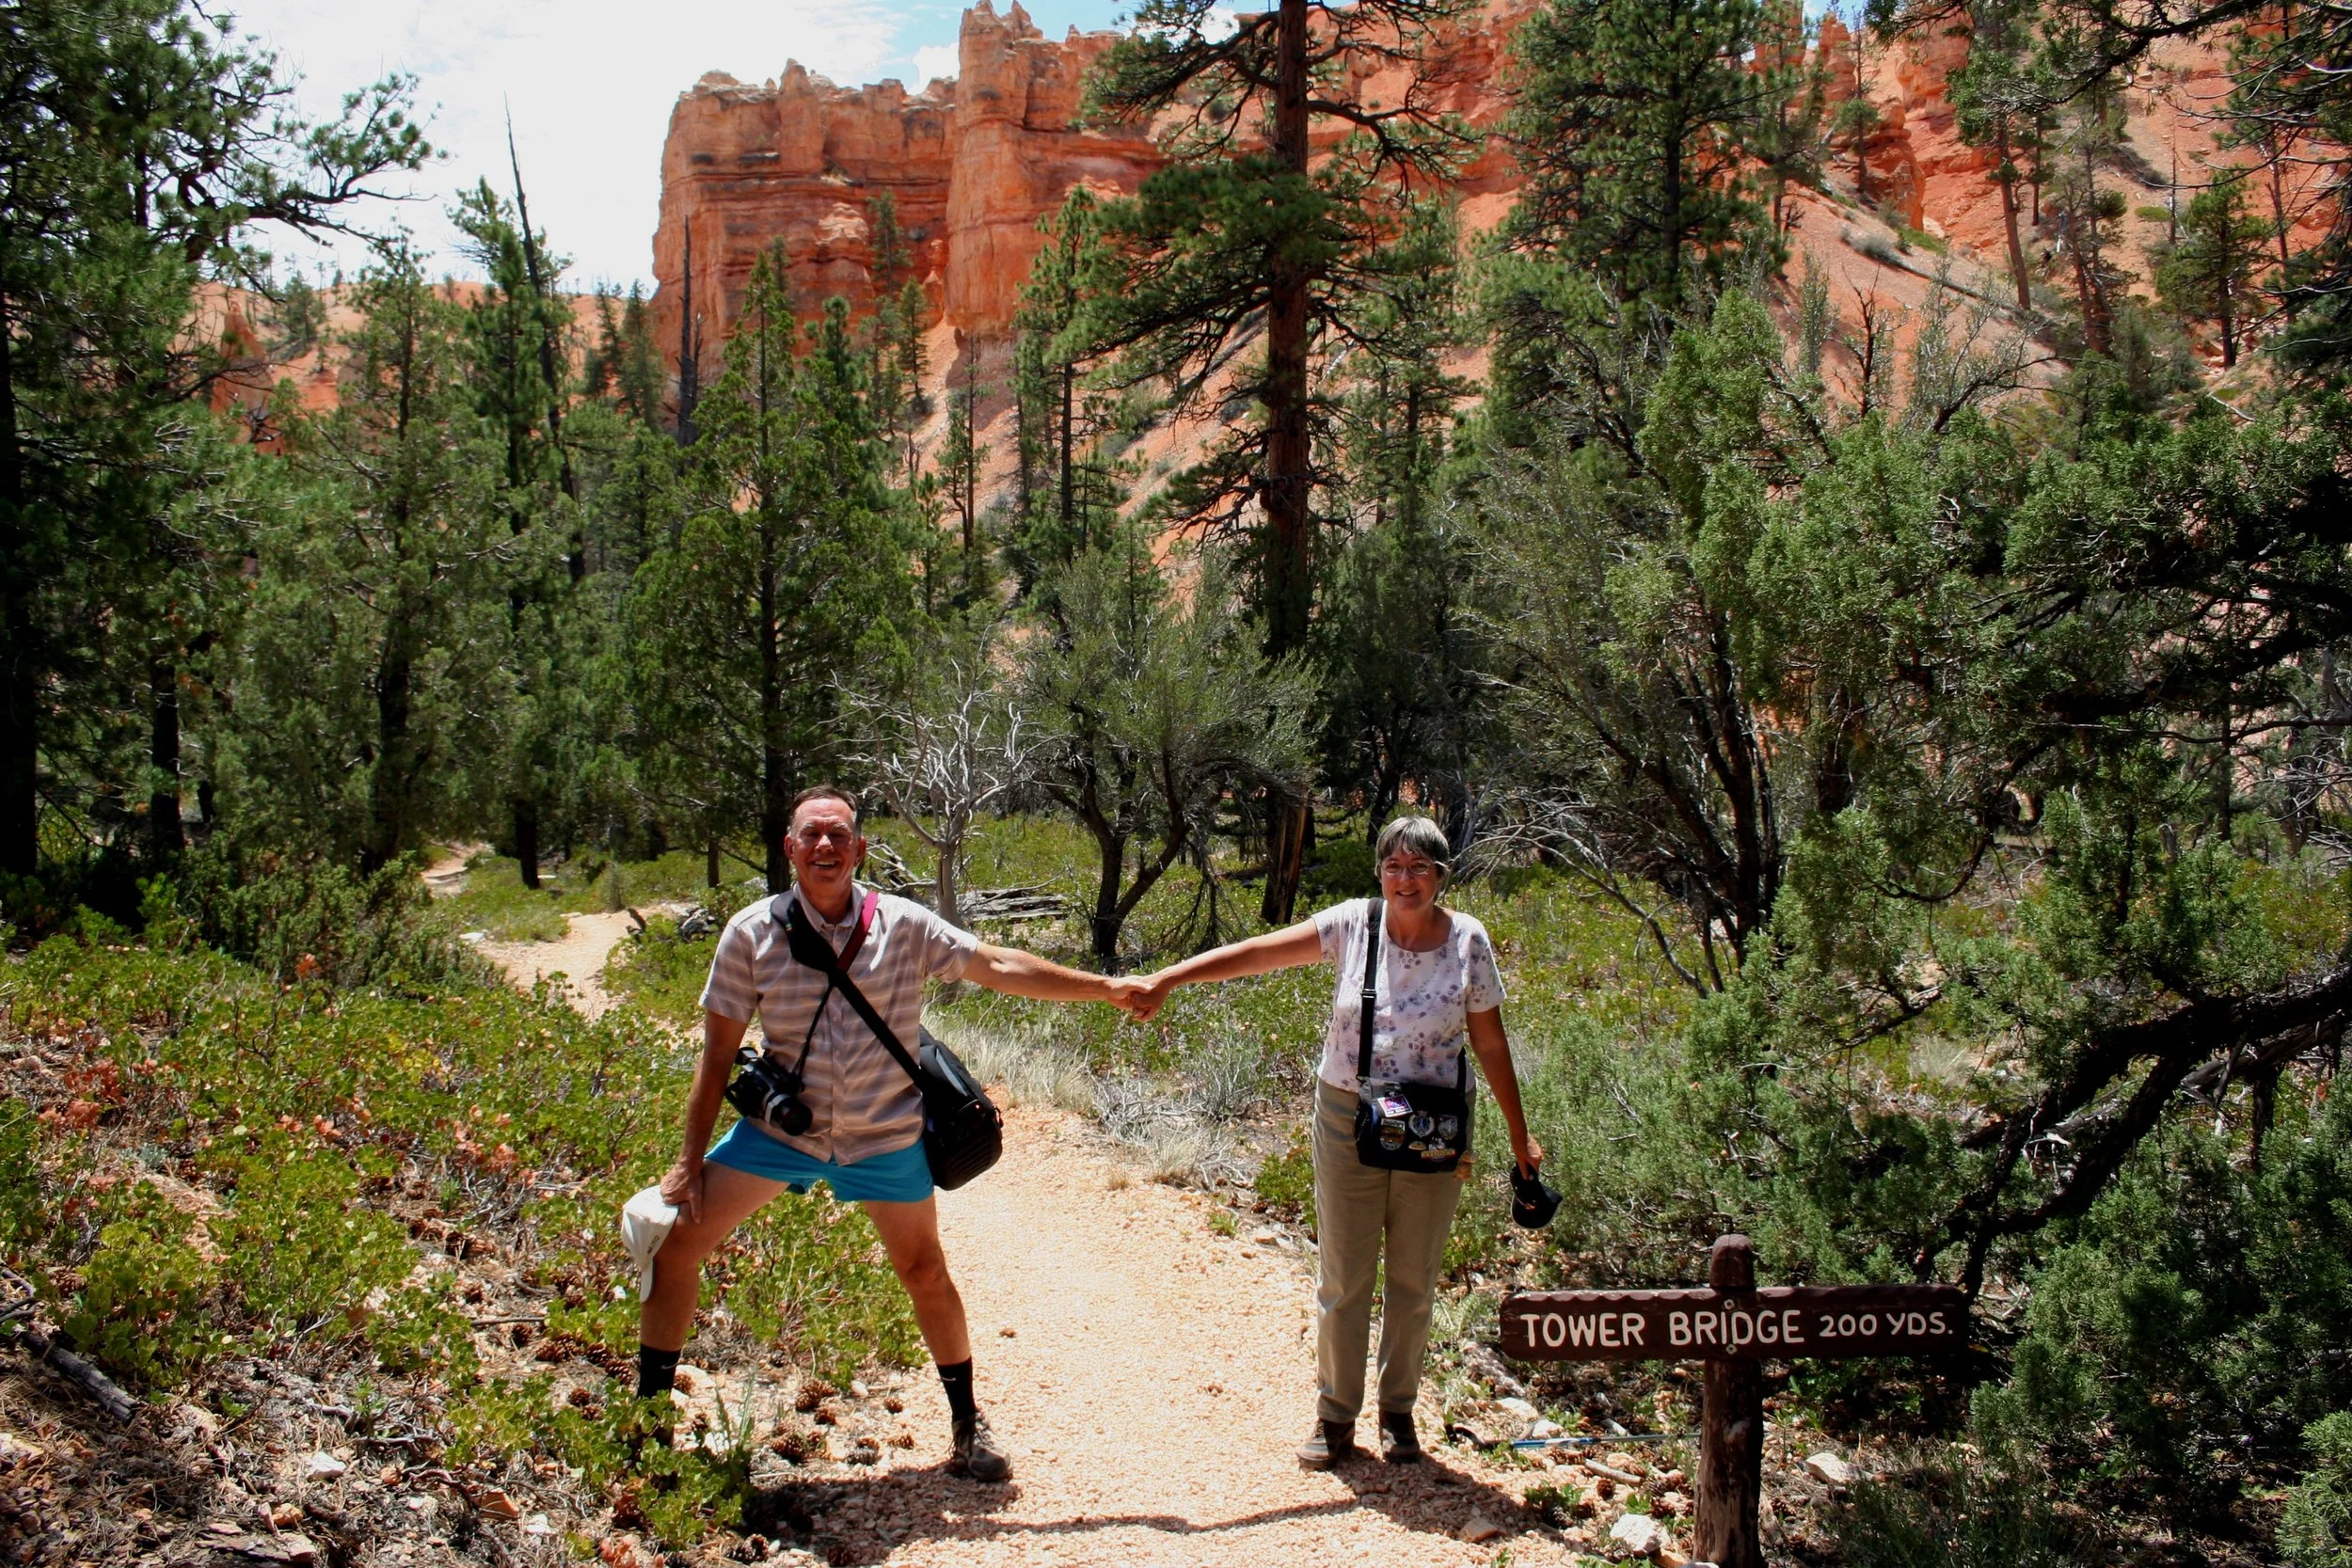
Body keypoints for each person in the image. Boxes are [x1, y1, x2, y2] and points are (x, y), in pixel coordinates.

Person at [639, 785, 1153, 1481]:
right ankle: (648, 1427)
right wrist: (687, 1160)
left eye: (839, 835)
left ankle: (969, 1425)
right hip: (784, 1134)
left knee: (924, 1271)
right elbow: (718, 1054)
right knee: (676, 1246)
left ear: (861, 848)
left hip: (884, 1134)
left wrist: (1105, 987)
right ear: (789, 847)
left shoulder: (903, 925)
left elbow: (996, 964)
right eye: (811, 835)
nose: (825, 846)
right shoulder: (750, 934)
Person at [1136, 815, 1545, 1468]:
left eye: (1419, 867)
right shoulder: (1355, 923)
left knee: (1414, 1276)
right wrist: (1170, 977)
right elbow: (1260, 952)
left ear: (1442, 875)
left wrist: (1521, 1137)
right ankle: (1335, 1415)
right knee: (1344, 1273)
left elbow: (1490, 1042)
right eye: (1393, 865)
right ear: (1379, 872)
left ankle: (1399, 1413)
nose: (1405, 879)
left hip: (1433, 1125)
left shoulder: (1468, 940)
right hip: (1347, 1112)